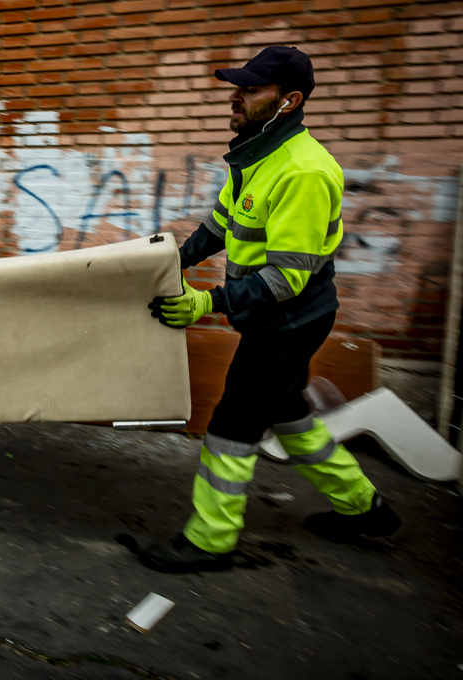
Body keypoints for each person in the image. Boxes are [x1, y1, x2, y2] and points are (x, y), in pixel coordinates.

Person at [142, 46, 400, 573]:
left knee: (229, 429)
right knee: (291, 417)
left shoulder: (304, 171)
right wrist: (166, 261)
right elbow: (220, 225)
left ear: (289, 101)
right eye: (237, 87)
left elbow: (285, 280)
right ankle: (366, 509)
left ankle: (211, 541)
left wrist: (206, 302)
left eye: (250, 89)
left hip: (288, 323)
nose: (235, 97)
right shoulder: (255, 154)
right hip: (275, 318)